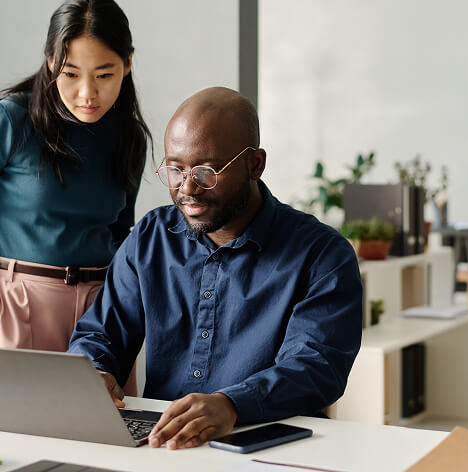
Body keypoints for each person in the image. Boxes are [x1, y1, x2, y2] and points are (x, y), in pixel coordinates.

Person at [68, 86, 362, 449]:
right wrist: (94, 371)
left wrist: (232, 405)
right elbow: (101, 333)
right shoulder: (151, 237)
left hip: (269, 448)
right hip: (165, 447)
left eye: (207, 171)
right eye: (175, 169)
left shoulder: (322, 255)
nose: (187, 187)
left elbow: (316, 367)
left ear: (255, 164)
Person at [0, 0, 151, 394]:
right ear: (50, 62)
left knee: (108, 433)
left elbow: (123, 233)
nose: (88, 93)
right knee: (20, 435)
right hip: (19, 304)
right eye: (70, 74)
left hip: (102, 313)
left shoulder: (128, 138)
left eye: (104, 75)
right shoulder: (12, 120)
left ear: (128, 64)